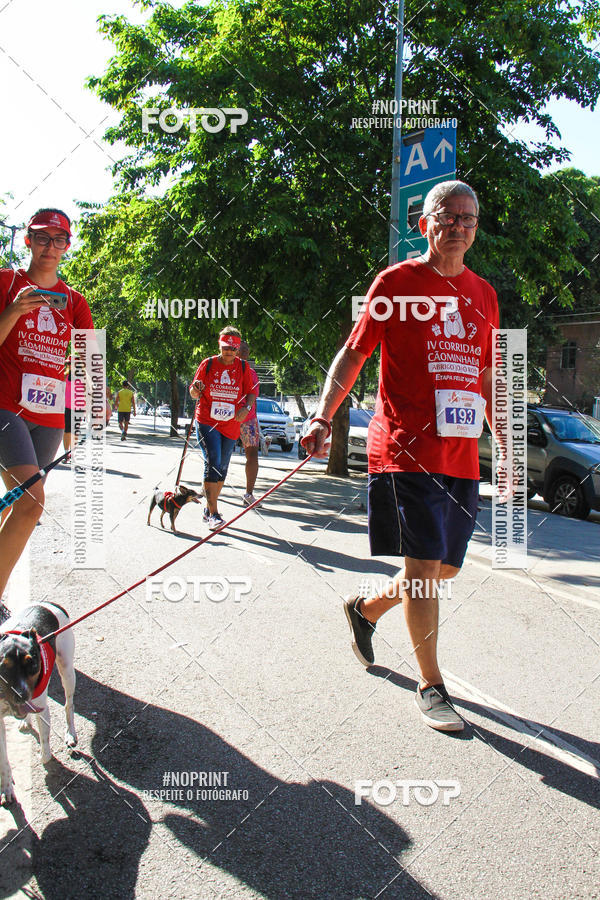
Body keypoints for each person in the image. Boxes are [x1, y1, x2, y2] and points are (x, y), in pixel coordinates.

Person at [302, 181, 504, 733]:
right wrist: (322, 415)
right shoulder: (396, 282)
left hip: (460, 454)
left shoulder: (484, 294)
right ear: (424, 224)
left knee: (444, 569)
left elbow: (487, 375)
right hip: (404, 449)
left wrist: (506, 443)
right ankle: (432, 686)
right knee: (423, 572)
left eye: (468, 218)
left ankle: (365, 609)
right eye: (448, 216)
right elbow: (354, 353)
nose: (459, 225)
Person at [0, 208, 94, 604]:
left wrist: (91, 406)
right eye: (42, 238)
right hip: (6, 407)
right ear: (29, 240)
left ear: (67, 246)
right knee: (31, 502)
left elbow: (87, 363)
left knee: (16, 504)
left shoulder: (75, 302)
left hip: (50, 417)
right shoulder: (6, 282)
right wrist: (14, 310)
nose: (49, 247)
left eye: (59, 240)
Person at [190, 326, 256, 530]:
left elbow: (251, 393)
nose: (229, 352)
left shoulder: (243, 367)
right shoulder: (208, 364)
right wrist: (196, 389)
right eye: (226, 347)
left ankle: (208, 508)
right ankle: (214, 514)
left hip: (231, 424)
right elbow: (193, 392)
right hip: (207, 421)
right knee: (213, 462)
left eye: (233, 348)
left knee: (223, 468)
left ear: (238, 349)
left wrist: (246, 408)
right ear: (220, 345)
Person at [238, 340, 262, 505]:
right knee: (219, 455)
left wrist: (246, 409)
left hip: (248, 419)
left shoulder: (251, 373)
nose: (245, 351)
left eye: (247, 348)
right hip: (226, 418)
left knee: (252, 454)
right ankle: (210, 486)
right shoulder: (223, 370)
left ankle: (249, 494)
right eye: (242, 348)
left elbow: (252, 395)